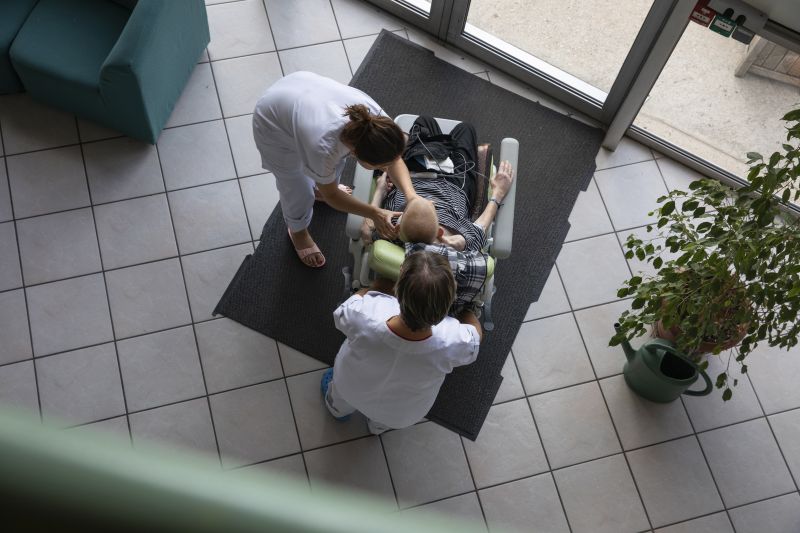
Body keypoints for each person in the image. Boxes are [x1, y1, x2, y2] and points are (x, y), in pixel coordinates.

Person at [252, 71, 418, 268]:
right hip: (274, 123)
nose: (386, 169)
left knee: (330, 170)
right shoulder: (323, 146)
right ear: (356, 153)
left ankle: (319, 187)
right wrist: (374, 213)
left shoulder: (377, 124)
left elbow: (394, 159)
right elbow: (332, 195)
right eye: (381, 167)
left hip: (300, 90)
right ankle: (298, 231)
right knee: (298, 189)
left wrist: (412, 197)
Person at [321, 251, 482, 435]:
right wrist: (468, 310)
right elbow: (475, 336)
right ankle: (377, 428)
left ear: (398, 290)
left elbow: (343, 312)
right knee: (386, 419)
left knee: (340, 397)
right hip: (401, 414)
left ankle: (337, 410)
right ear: (448, 305)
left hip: (349, 386)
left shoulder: (366, 312)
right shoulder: (452, 339)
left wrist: (377, 286)